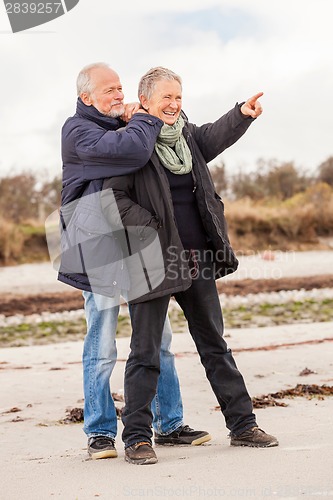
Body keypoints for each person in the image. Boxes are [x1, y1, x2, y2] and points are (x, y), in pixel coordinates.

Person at [103, 67, 279, 465]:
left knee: (215, 345)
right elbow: (114, 200)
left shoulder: (187, 137)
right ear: (144, 100)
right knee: (145, 351)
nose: (174, 104)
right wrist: (154, 227)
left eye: (179, 97)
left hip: (197, 258)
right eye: (166, 97)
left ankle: (243, 424)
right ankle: (136, 438)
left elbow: (215, 133)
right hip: (151, 261)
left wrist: (243, 114)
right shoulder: (129, 143)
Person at [58, 63, 210, 460]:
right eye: (108, 90)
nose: (116, 94)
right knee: (102, 339)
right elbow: (135, 149)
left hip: (135, 241)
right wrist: (142, 115)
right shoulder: (79, 131)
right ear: (86, 97)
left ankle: (170, 423)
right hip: (97, 246)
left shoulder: (118, 126)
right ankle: (100, 432)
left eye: (119, 87)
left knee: (158, 337)